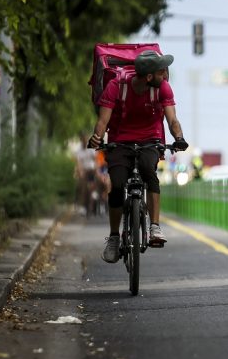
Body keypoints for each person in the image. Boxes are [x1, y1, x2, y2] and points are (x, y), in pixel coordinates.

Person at [88, 50, 188, 263]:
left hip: (150, 140)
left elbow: (172, 120)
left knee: (148, 172)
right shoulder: (116, 86)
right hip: (120, 140)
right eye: (161, 71)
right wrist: (97, 137)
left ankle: (154, 227)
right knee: (116, 184)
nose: (165, 74)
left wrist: (178, 137)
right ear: (149, 76)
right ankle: (114, 237)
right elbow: (103, 121)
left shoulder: (162, 88)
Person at [74, 134, 98, 216]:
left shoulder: (91, 149)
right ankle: (83, 206)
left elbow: (96, 161)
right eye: (83, 140)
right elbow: (78, 163)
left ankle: (94, 197)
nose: (84, 142)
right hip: (84, 171)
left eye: (85, 140)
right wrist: (80, 171)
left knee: (92, 186)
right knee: (82, 186)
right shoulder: (79, 151)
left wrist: (96, 169)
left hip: (91, 170)